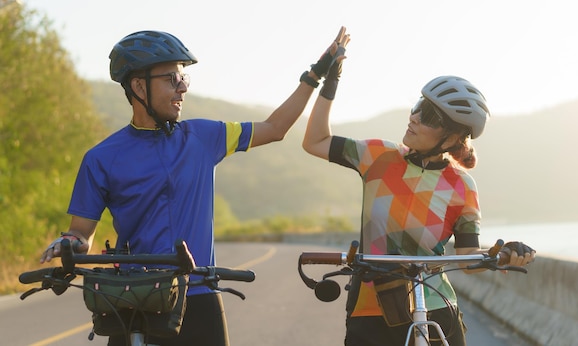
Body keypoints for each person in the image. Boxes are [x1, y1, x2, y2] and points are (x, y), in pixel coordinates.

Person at [39, 27, 349, 346]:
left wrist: (315, 75)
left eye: (184, 78)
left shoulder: (202, 137)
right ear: (138, 86)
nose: (182, 87)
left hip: (198, 297)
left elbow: (275, 128)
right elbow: (80, 232)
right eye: (171, 78)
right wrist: (68, 245)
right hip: (133, 301)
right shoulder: (101, 158)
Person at [302, 37, 535, 346]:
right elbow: (314, 141)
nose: (414, 116)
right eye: (419, 106)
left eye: (428, 115)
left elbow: (466, 258)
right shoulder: (377, 155)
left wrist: (504, 255)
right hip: (370, 307)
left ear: (452, 138)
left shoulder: (462, 186)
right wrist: (330, 79)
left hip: (436, 307)